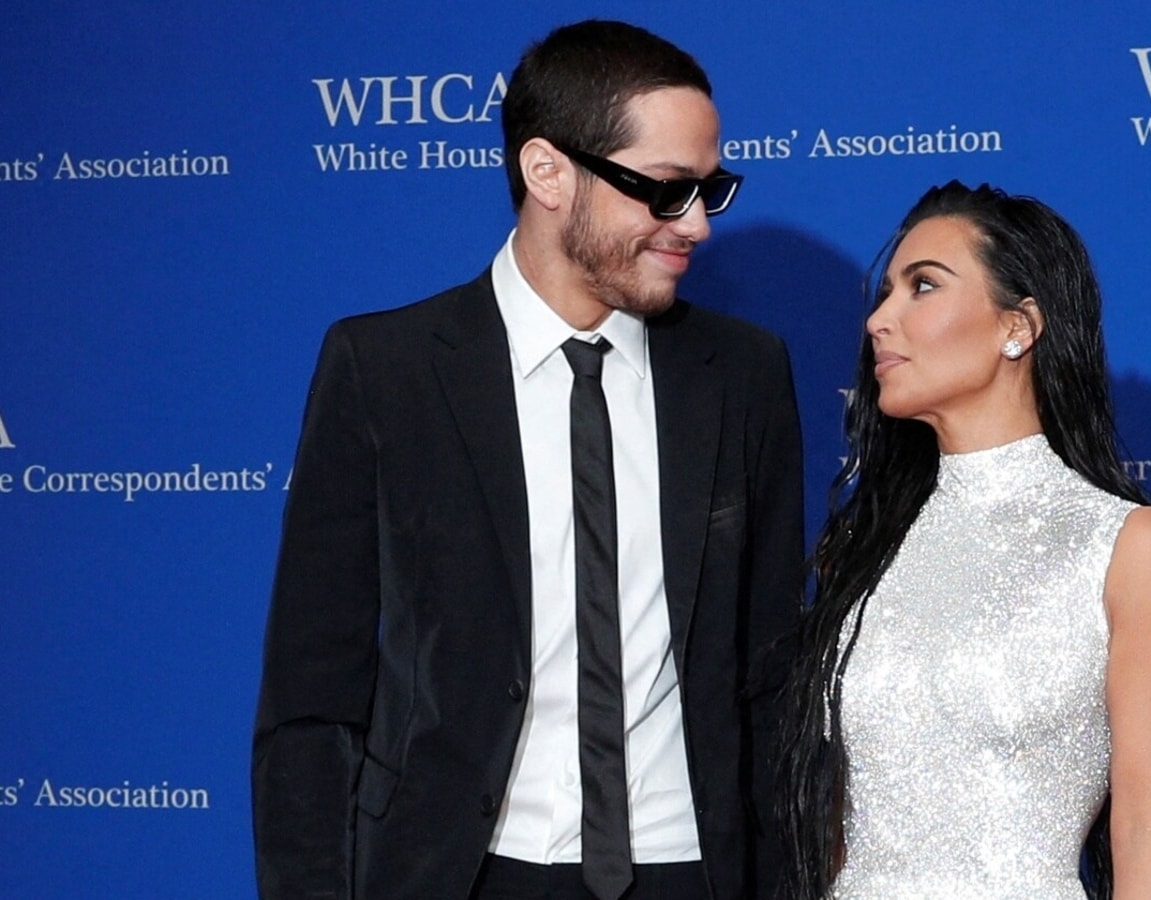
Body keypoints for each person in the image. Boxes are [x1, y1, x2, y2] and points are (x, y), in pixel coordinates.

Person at [252, 20, 804, 900]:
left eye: (709, 190)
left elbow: (769, 674)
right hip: (457, 872)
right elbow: (313, 694)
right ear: (548, 172)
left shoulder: (741, 374)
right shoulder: (385, 369)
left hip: (686, 870)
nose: (695, 225)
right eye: (665, 191)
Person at [777, 181, 1151, 899]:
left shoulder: (1128, 546)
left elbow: (1145, 832)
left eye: (923, 287)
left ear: (1019, 325)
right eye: (884, 294)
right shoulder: (867, 545)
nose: (880, 319)